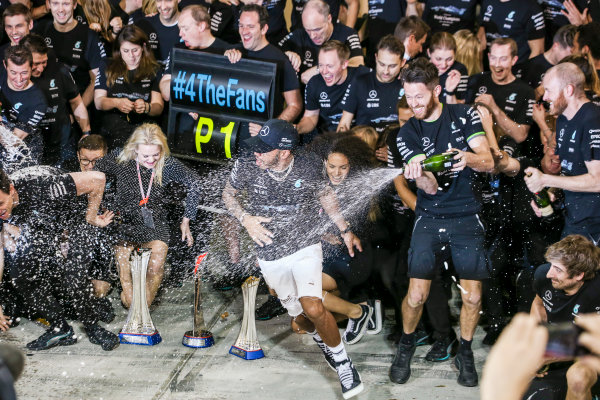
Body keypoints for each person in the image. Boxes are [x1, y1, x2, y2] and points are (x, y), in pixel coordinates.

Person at [222, 118, 364, 399]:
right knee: (299, 318)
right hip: (269, 250)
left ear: (284, 151)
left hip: (304, 244)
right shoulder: (248, 164)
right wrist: (245, 219)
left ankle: (343, 363)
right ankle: (324, 343)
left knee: (312, 306)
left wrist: (344, 228)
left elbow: (325, 194)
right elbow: (228, 194)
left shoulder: (309, 164)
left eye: (264, 149)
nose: (256, 153)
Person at [390, 58, 493, 387]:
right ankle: (406, 344)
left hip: (467, 214)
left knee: (472, 297)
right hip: (430, 216)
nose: (413, 104)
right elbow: (430, 188)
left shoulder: (464, 115)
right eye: (408, 97)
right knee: (416, 295)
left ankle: (465, 351)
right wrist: (420, 178)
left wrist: (466, 158)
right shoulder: (407, 132)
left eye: (419, 96)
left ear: (436, 90)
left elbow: (488, 160)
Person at [0, 166, 118, 351]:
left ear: (12, 190)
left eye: (0, 203)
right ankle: (60, 328)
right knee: (20, 273)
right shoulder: (7, 206)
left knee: (73, 279)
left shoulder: (43, 186)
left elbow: (97, 178)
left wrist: (92, 216)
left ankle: (93, 328)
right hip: (44, 224)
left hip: (77, 220)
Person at [94, 123, 202, 308]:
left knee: (153, 271)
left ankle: (142, 309)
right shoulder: (121, 158)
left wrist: (186, 220)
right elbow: (96, 173)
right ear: (134, 150)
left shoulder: (167, 164)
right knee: (128, 301)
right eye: (145, 155)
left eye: (156, 154)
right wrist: (98, 209)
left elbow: (196, 184)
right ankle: (122, 283)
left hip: (154, 223)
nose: (151, 160)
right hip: (123, 223)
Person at [525, 62, 600, 242]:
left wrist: (545, 180)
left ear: (568, 90)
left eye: (549, 90)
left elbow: (597, 180)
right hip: (573, 217)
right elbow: (570, 172)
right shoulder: (563, 119)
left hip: (594, 225)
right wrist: (552, 193)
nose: (544, 97)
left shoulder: (593, 120)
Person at [524, 235, 600, 399]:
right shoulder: (544, 275)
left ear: (579, 275)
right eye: (551, 265)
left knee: (577, 378)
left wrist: (545, 358)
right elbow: (539, 303)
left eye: (558, 270)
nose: (550, 273)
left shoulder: (596, 293)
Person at [224, 4, 302, 139]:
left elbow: (295, 105)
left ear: (264, 28)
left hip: (260, 141)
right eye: (241, 25)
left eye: (250, 26)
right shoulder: (232, 52)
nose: (244, 31)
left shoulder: (280, 59)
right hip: (228, 135)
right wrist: (224, 59)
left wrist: (270, 129)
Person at [21, 33, 90, 166]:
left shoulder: (59, 70)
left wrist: (86, 131)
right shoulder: (13, 78)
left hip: (62, 147)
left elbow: (76, 102)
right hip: (30, 149)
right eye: (35, 64)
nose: (41, 68)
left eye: (44, 62)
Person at [94, 25, 164, 149]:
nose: (131, 56)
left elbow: (158, 107)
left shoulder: (154, 69)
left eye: (135, 50)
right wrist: (116, 102)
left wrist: (147, 107)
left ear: (143, 47)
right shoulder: (107, 65)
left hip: (142, 131)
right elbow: (99, 102)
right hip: (112, 128)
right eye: (125, 51)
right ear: (119, 50)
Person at [465, 38, 536, 149]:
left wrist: (494, 108)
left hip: (506, 150)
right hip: (476, 145)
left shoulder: (526, 91)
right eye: (493, 58)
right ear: (488, 57)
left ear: (514, 60)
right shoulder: (476, 80)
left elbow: (520, 136)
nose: (497, 65)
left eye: (503, 59)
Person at [36, 0, 107, 109]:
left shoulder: (89, 36)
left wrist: (78, 111)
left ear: (74, 5)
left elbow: (96, 81)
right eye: (55, 3)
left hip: (80, 104)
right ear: (49, 5)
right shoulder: (40, 31)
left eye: (66, 3)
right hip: (45, 106)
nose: (60, 9)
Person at [296, 40, 368, 140]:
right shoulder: (314, 83)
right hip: (328, 139)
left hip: (360, 139)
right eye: (320, 65)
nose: (324, 71)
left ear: (344, 64)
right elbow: (311, 117)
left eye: (330, 66)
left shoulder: (362, 76)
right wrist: (297, 129)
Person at [159, 4, 233, 102]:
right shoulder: (178, 50)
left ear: (201, 26)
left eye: (185, 28)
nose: (180, 34)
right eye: (179, 28)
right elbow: (166, 94)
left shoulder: (227, 51)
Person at [278, 0, 363, 85]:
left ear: (329, 19)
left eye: (317, 29)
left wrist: (320, 69)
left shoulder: (347, 34)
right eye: (308, 30)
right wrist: (287, 54)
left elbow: (358, 66)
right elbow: (273, 53)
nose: (312, 36)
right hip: (306, 95)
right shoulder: (299, 34)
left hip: (337, 94)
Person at [337, 35, 406, 133]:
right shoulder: (359, 82)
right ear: (376, 58)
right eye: (382, 64)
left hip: (397, 145)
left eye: (392, 66)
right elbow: (344, 123)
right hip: (364, 144)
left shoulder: (408, 84)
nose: (386, 71)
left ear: (403, 62)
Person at [0, 45, 47, 163]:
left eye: (24, 73)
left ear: (32, 67)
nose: (19, 79)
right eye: (13, 72)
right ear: (5, 65)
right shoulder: (1, 72)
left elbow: (12, 142)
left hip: (23, 156)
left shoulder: (38, 102)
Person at [477, 0, 545, 74]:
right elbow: (481, 37)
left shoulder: (531, 7)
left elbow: (538, 51)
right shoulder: (486, 2)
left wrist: (524, 78)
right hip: (490, 70)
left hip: (516, 72)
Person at [522, 24, 576, 99]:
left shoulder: (575, 68)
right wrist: (540, 90)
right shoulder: (530, 67)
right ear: (556, 46)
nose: (572, 59)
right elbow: (522, 102)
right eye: (570, 53)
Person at [134, 0, 181, 65]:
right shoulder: (144, 25)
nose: (163, 7)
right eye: (159, 0)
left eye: (168, 0)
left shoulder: (191, 27)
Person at [427, 32, 468, 104]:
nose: (444, 65)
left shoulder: (459, 70)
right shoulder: (420, 68)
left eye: (449, 59)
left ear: (455, 54)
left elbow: (459, 105)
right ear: (429, 53)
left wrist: (450, 92)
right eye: (438, 59)